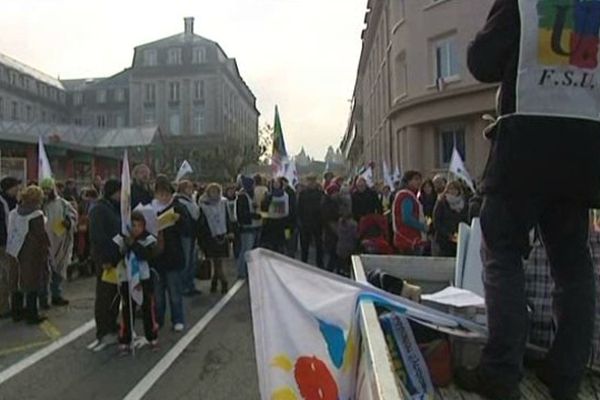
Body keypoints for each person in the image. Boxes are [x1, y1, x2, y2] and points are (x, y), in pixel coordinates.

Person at [455, 2, 600, 400]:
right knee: (573, 263)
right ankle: (567, 373)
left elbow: (483, 62)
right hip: (585, 148)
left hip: (525, 144)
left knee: (502, 250)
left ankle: (501, 371)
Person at [6, 185, 50, 324]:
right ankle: (32, 315)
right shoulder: (36, 215)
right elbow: (40, 236)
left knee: (16, 281)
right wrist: (46, 251)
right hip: (31, 253)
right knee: (32, 283)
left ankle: (17, 313)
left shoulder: (14, 212)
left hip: (13, 250)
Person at [117, 211, 160, 354]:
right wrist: (125, 245)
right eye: (133, 225)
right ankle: (125, 339)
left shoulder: (148, 238)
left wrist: (134, 244)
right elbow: (118, 253)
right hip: (127, 278)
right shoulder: (123, 238)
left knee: (148, 308)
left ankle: (152, 336)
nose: (135, 228)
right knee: (127, 310)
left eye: (139, 226)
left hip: (144, 278)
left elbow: (148, 255)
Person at [88, 179, 122, 351]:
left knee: (114, 295)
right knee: (104, 295)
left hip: (116, 257)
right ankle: (103, 330)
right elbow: (98, 236)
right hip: (106, 259)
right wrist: (105, 258)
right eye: (119, 192)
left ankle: (112, 324)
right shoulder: (100, 209)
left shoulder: (112, 207)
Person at [151, 175, 186, 332]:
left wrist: (180, 220)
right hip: (156, 258)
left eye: (166, 194)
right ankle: (158, 320)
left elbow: (188, 229)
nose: (163, 197)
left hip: (173, 256)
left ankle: (177, 319)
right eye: (160, 194)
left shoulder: (178, 207)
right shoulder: (150, 209)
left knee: (174, 292)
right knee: (158, 295)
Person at [40, 178, 77, 307]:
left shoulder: (62, 204)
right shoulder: (38, 204)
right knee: (44, 273)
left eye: (48, 189)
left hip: (60, 242)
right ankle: (43, 299)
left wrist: (68, 222)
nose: (46, 192)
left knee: (58, 271)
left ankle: (56, 295)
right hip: (43, 243)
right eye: (43, 189)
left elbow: (72, 216)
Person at [198, 183, 230, 294]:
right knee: (215, 261)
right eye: (212, 192)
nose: (214, 194)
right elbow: (202, 224)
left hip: (222, 234)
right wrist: (202, 239)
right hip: (210, 236)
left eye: (216, 192)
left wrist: (230, 231)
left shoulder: (223, 203)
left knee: (218, 261)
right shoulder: (203, 206)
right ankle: (218, 281)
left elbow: (228, 217)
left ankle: (220, 282)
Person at [392, 171, 429, 255]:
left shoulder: (408, 195)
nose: (419, 182)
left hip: (406, 239)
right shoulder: (406, 196)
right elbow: (407, 218)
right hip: (409, 239)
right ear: (407, 181)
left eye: (420, 179)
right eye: (415, 179)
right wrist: (423, 226)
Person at [174, 180, 201, 296]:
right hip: (185, 234)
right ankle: (183, 286)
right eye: (188, 187)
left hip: (193, 233)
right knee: (185, 261)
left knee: (192, 261)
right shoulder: (179, 201)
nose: (191, 190)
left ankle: (190, 284)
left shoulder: (191, 200)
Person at [432, 181, 468, 257]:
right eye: (450, 189)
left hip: (459, 238)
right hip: (444, 239)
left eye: (455, 189)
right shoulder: (441, 202)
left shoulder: (464, 203)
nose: (452, 191)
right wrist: (448, 234)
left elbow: (466, 219)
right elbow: (436, 221)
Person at [0, 177, 20, 319]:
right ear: (9, 188)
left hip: (11, 243)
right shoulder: (2, 203)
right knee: (4, 277)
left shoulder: (12, 201)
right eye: (16, 187)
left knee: (11, 275)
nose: (18, 190)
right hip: (4, 244)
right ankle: (3, 308)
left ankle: (12, 305)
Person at [235, 176, 262, 278]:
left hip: (254, 225)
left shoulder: (251, 195)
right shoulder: (242, 197)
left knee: (250, 250)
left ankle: (247, 270)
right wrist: (254, 215)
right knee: (246, 249)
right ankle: (241, 271)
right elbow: (242, 213)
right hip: (247, 227)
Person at [297, 175, 324, 269]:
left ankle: (319, 264)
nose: (311, 183)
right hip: (305, 223)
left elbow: (323, 208)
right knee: (305, 245)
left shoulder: (320, 193)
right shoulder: (303, 193)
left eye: (313, 181)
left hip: (317, 222)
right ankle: (303, 263)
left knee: (319, 245)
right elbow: (299, 208)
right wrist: (300, 221)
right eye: (309, 181)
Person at [260, 178, 290, 253]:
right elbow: (264, 208)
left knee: (281, 244)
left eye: (278, 183)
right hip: (271, 222)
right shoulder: (268, 194)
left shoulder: (285, 195)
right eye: (274, 183)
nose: (276, 185)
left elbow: (287, 209)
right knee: (272, 244)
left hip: (282, 222)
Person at [321, 181, 342, 272]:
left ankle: (335, 269)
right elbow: (327, 216)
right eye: (335, 192)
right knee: (333, 251)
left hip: (335, 227)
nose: (336, 194)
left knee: (335, 251)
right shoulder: (326, 202)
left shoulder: (336, 201)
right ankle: (330, 270)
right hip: (330, 229)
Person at [281, 177, 298, 258]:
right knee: (288, 239)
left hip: (288, 222)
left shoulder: (289, 193)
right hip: (288, 222)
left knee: (288, 239)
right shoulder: (289, 192)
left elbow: (291, 208)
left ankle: (290, 255)